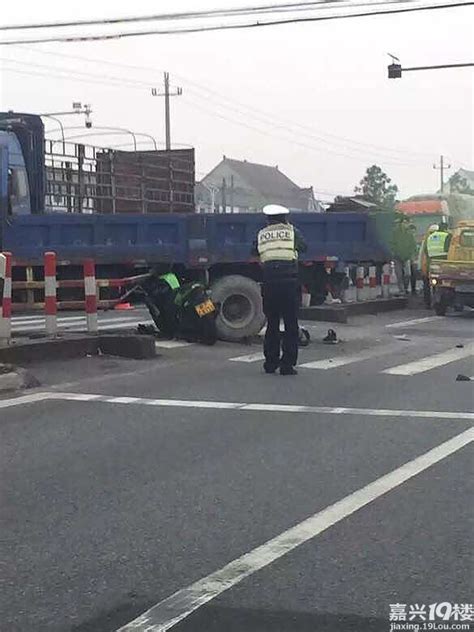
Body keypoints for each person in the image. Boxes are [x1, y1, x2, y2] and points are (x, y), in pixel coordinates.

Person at [253, 204, 307, 376]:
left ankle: (270, 363)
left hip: (270, 284)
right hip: (289, 284)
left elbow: (254, 251)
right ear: (285, 217)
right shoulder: (292, 232)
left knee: (272, 324)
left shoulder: (262, 234)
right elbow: (304, 247)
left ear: (268, 219)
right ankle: (287, 365)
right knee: (291, 324)